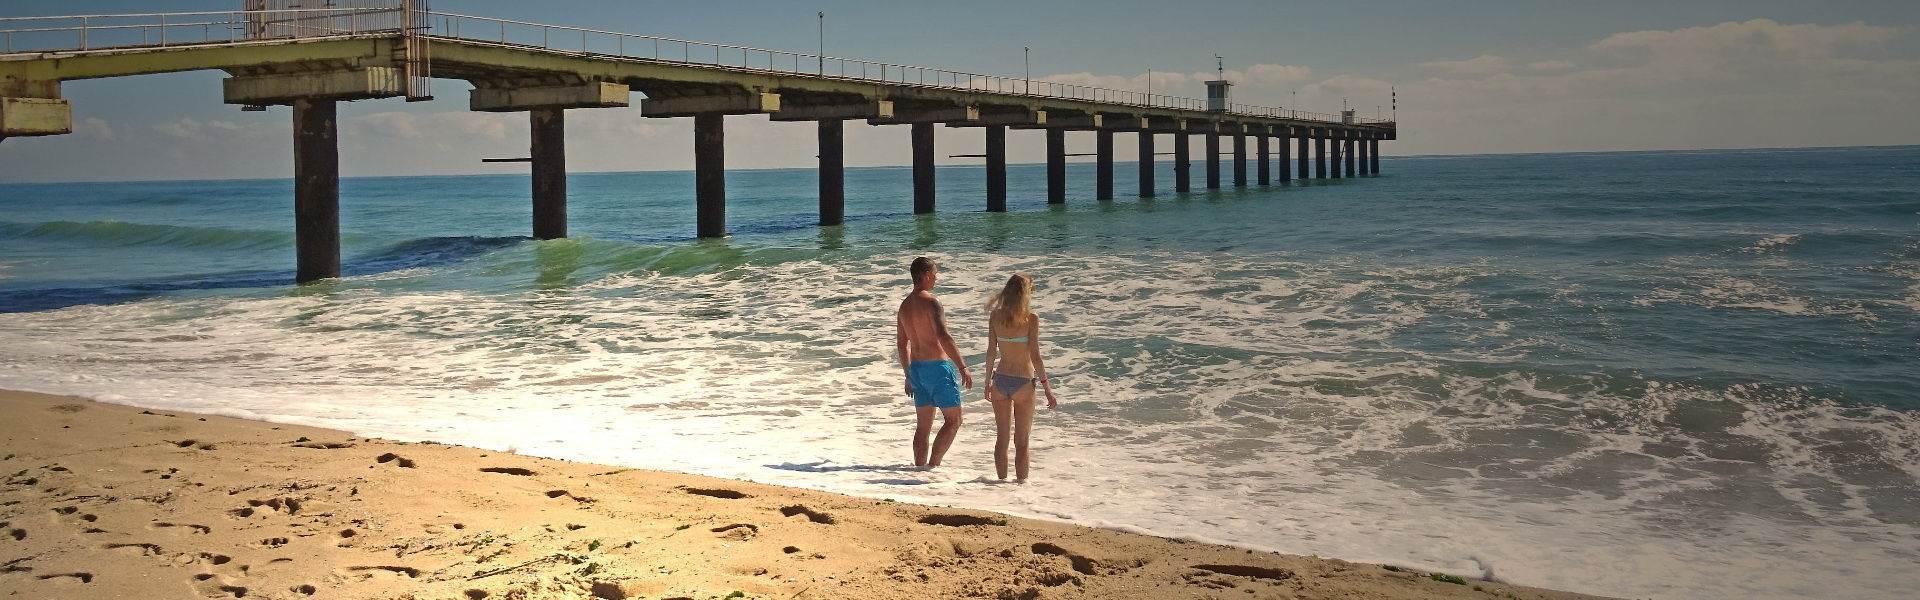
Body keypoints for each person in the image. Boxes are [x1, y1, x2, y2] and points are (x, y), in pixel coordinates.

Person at [895, 256, 973, 469]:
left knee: (923, 427)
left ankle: (919, 469)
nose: (937, 278)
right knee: (954, 420)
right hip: (938, 369)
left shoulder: (904, 306)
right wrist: (962, 367)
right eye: (935, 274)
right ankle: (933, 467)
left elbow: (902, 345)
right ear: (927, 275)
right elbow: (944, 336)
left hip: (917, 370)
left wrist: (908, 375)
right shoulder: (931, 302)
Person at [981, 273, 1058, 483]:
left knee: (1002, 439)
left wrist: (987, 382)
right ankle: (1021, 488)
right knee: (1022, 441)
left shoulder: (995, 317)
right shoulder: (1031, 319)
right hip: (1023, 382)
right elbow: (1036, 356)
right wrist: (1047, 388)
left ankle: (1000, 485)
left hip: (1000, 380)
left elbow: (990, 352)